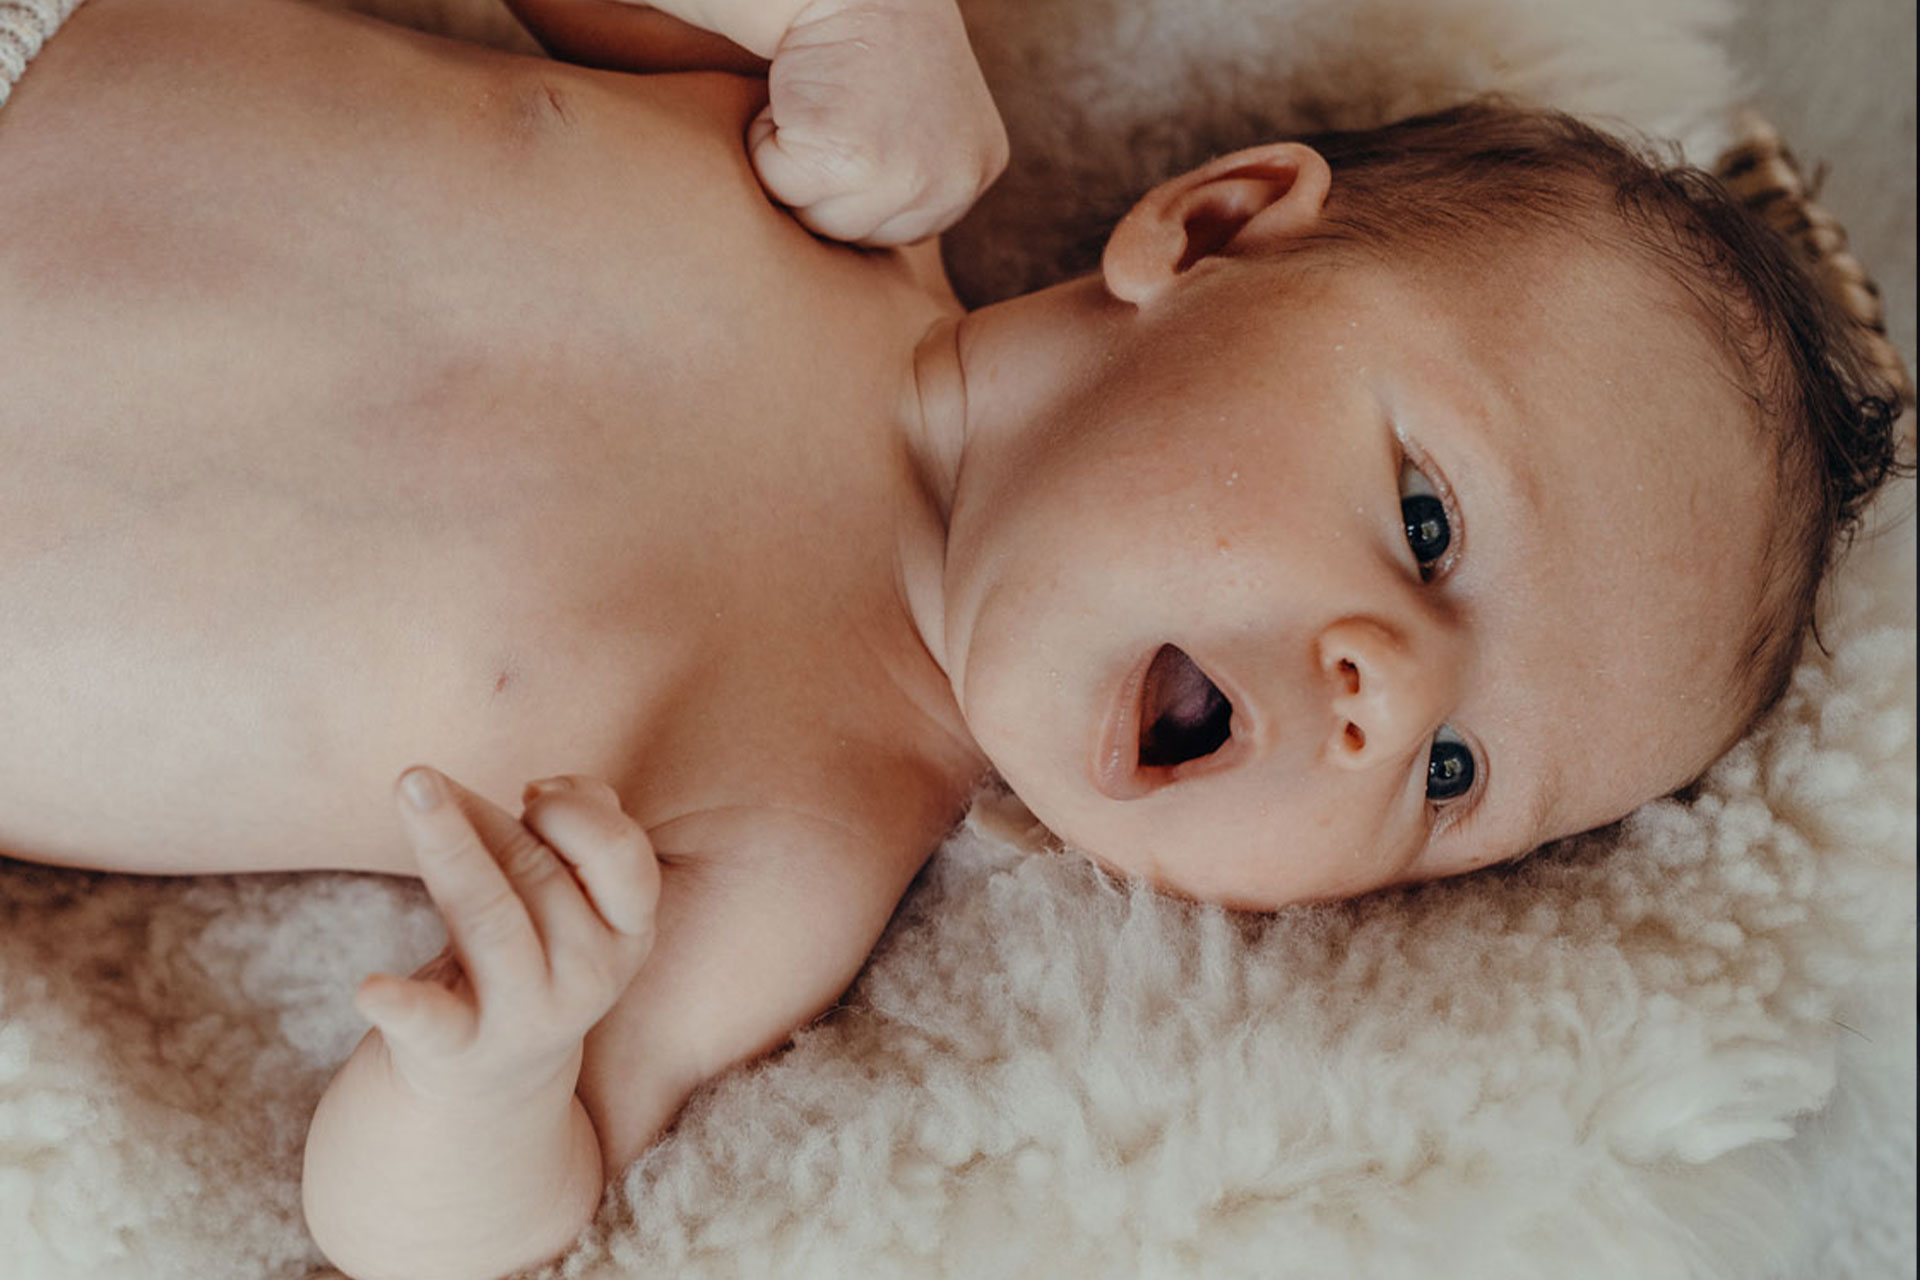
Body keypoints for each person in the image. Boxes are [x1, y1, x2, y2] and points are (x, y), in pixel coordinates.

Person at [0, 1, 1899, 1277]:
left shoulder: (804, 835)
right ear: (1211, 228)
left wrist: (490, 1080)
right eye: (1426, 526)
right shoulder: (837, 177)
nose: (1382, 702)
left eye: (1455, 777)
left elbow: (432, 1239)